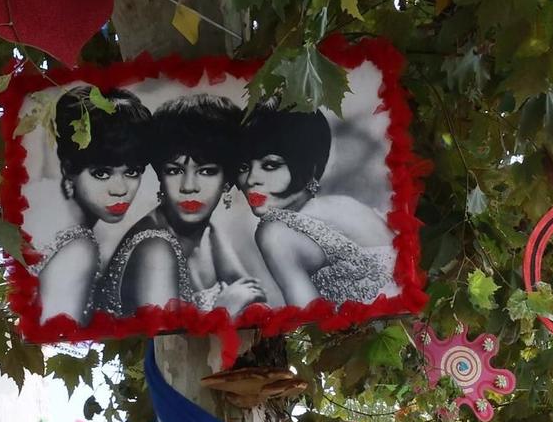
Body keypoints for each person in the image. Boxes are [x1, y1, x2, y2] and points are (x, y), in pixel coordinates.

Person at [241, 106, 396, 307]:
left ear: (309, 168)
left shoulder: (274, 232)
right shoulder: (345, 204)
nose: (251, 180)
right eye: (243, 167)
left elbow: (308, 325)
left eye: (270, 165)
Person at [123, 98, 264, 315]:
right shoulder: (154, 249)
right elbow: (166, 344)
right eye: (174, 170)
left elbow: (253, 295)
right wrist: (224, 311)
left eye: (206, 171)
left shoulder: (208, 232)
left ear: (228, 179)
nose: (188, 187)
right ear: (160, 175)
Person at [33, 86, 153, 327]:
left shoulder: (50, 221)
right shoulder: (79, 250)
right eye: (101, 173)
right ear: (68, 168)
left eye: (132, 171)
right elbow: (57, 337)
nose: (120, 189)